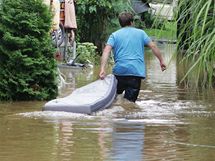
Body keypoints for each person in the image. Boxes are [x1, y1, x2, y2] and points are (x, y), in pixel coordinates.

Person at [99, 12, 166, 102]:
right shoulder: (141, 33)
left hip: (119, 72)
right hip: (135, 73)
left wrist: (102, 69)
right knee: (129, 103)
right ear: (132, 22)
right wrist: (161, 61)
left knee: (113, 100)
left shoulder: (114, 35)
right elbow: (153, 46)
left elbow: (106, 50)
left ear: (120, 23)